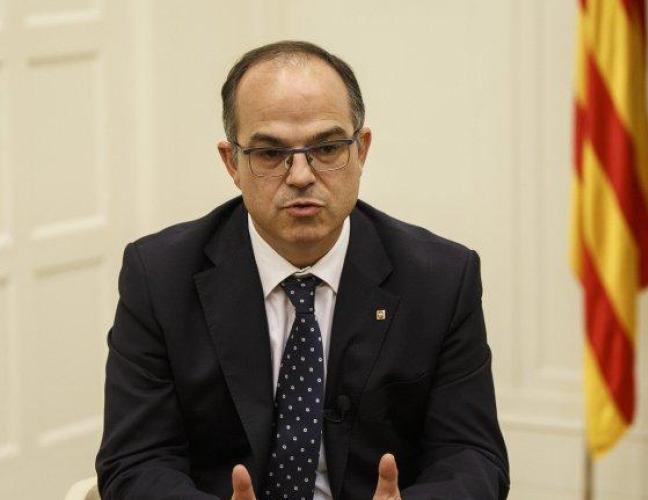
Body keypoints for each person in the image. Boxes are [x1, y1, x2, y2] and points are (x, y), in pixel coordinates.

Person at [96, 40, 509, 500]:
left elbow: (472, 456)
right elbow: (135, 461)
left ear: (361, 151)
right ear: (232, 163)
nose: (300, 176)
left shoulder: (441, 279)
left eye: (327, 148)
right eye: (270, 154)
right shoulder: (159, 276)